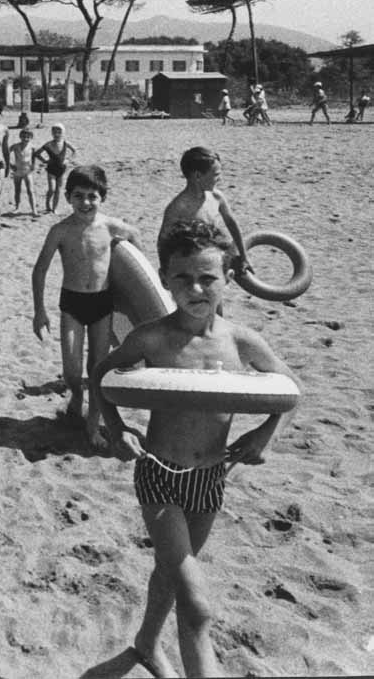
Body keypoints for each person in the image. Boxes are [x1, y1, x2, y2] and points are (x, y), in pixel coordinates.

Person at [92, 220, 295, 679]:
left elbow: (291, 391)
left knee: (172, 571)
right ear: (164, 279)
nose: (196, 288)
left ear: (228, 279)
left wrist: (266, 435)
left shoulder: (241, 341)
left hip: (210, 480)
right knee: (197, 604)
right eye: (182, 277)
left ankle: (147, 643)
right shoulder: (152, 337)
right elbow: (102, 375)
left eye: (208, 277)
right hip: (159, 474)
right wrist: (117, 429)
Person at [31, 166, 141, 449]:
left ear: (102, 197)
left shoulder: (111, 227)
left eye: (92, 196)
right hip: (72, 303)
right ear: (68, 197)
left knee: (97, 370)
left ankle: (92, 428)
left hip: (102, 304)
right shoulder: (60, 231)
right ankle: (76, 397)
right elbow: (40, 270)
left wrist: (137, 275)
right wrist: (39, 311)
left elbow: (134, 236)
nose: (85, 203)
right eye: (78, 196)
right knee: (71, 369)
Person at [158, 147, 251, 279]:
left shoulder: (216, 197)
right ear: (197, 176)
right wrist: (168, 274)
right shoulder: (178, 208)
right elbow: (162, 243)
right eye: (216, 175)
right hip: (191, 268)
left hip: (213, 262)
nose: (219, 179)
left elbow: (232, 224)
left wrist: (243, 255)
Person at [34, 124, 75, 214]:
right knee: (51, 189)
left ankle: (54, 208)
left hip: (62, 170)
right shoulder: (48, 144)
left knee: (58, 190)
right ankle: (47, 204)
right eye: (54, 132)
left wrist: (68, 160)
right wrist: (45, 161)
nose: (57, 134)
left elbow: (74, 151)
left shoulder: (65, 143)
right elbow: (37, 153)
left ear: (63, 132)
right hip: (51, 170)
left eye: (59, 132)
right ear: (52, 133)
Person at [9, 128, 38, 216]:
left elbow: (34, 157)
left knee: (30, 190)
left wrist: (33, 165)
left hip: (27, 171)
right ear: (20, 137)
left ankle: (34, 209)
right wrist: (10, 164)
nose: (25, 139)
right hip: (17, 170)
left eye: (28, 137)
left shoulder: (32, 147)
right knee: (17, 190)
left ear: (31, 137)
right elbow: (6, 153)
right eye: (23, 137)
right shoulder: (15, 146)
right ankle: (17, 207)